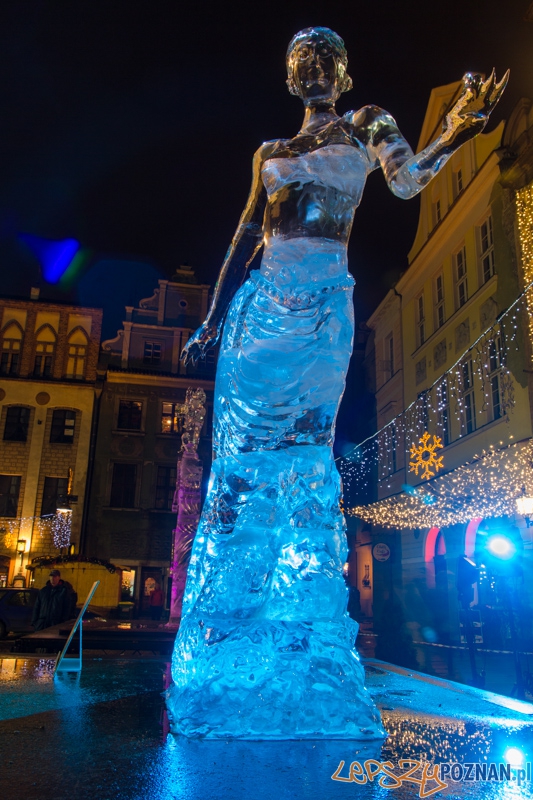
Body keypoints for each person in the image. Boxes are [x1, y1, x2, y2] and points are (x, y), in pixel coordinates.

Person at [166, 27, 506, 740]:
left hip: (322, 300)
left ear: (343, 75)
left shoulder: (366, 124)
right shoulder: (270, 154)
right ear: (291, 79)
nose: (313, 66)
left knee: (306, 452)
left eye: (325, 57)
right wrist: (210, 319)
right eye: (301, 60)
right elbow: (242, 239)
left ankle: (299, 623)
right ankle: (232, 626)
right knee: (239, 469)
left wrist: (451, 130)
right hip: (261, 310)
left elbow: (407, 180)